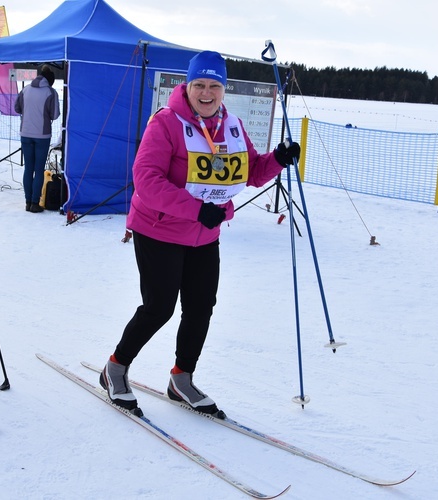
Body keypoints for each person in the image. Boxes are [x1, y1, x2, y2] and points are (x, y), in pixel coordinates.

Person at [99, 51, 300, 415]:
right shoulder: (165, 124)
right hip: (159, 229)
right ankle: (115, 368)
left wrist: (278, 160)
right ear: (186, 87)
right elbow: (146, 180)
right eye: (199, 85)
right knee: (159, 308)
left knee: (200, 308)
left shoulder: (232, 126)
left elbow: (252, 172)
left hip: (204, 235)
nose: (206, 93)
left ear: (224, 89)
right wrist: (196, 210)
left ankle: (182, 378)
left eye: (214, 86)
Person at [14, 65, 60, 213]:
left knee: (28, 168)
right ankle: (35, 202)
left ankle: (27, 201)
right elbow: (55, 115)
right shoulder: (50, 93)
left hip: (25, 133)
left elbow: (17, 108)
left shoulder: (26, 89)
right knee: (39, 170)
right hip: (42, 135)